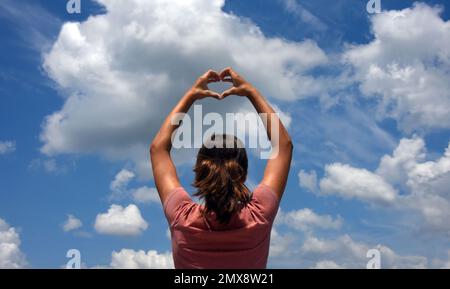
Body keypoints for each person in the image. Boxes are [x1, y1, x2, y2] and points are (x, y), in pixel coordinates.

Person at [150, 67, 293, 268]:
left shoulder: (182, 217)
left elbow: (158, 149)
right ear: (242, 174)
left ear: (200, 171)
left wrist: (191, 95)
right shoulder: (259, 215)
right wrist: (251, 92)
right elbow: (283, 146)